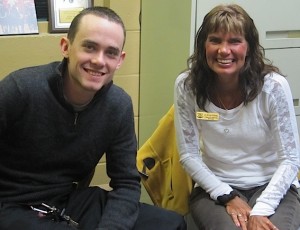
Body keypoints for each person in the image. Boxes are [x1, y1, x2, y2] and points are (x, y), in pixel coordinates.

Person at [0, 6, 186, 230]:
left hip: (70, 201)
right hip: (12, 204)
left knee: (171, 224)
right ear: (66, 47)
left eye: (111, 52)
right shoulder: (20, 89)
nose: (99, 60)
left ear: (120, 60)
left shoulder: (118, 106)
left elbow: (126, 183)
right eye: (89, 47)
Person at [174, 4, 300, 230]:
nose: (224, 50)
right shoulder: (187, 86)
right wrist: (228, 196)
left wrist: (261, 209)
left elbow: (290, 159)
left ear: (249, 48)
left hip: (272, 186)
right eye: (215, 40)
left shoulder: (273, 87)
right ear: (203, 46)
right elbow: (189, 155)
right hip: (215, 188)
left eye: (234, 41)